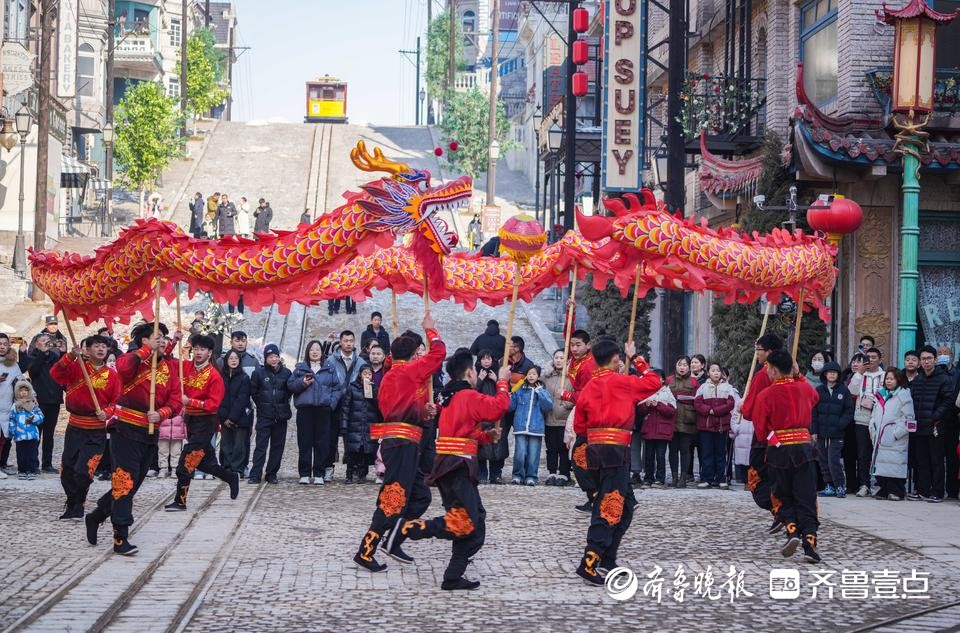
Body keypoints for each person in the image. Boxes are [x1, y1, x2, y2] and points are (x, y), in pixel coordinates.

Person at [392, 350, 510, 590]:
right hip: (457, 466)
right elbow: (498, 407)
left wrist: (486, 436)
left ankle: (453, 576)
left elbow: (464, 432)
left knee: (474, 522)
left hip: (453, 464)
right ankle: (408, 528)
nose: (476, 374)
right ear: (469, 372)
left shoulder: (452, 397)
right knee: (467, 522)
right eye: (475, 371)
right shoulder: (467, 395)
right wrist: (503, 381)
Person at [354, 315, 444, 573]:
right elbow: (438, 354)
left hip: (402, 442)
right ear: (413, 354)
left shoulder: (390, 377)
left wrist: (424, 411)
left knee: (421, 496)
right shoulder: (406, 371)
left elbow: (401, 410)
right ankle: (366, 550)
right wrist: (431, 330)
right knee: (393, 498)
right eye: (418, 353)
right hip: (402, 443)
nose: (420, 357)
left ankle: (393, 539)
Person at [86, 322, 182, 555]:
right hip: (125, 430)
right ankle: (120, 537)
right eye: (156, 337)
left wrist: (162, 413)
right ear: (144, 341)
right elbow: (123, 368)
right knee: (124, 481)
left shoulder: (170, 366)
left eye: (164, 338)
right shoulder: (132, 361)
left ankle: (97, 515)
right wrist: (146, 351)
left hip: (150, 431)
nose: (162, 341)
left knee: (133, 485)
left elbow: (176, 400)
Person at [574, 339, 661, 585]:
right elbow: (654, 382)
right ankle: (589, 562)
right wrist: (636, 358)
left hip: (595, 450)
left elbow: (580, 424)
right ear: (615, 359)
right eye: (619, 358)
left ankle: (608, 557)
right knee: (610, 506)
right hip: (615, 453)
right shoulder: (623, 382)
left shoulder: (589, 387)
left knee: (626, 505)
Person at [751, 350, 822, 563]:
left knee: (783, 493)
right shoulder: (804, 388)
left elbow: (761, 430)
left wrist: (775, 440)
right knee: (806, 496)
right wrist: (799, 376)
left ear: (773, 370)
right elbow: (815, 398)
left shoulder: (766, 395)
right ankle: (809, 541)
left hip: (779, 451)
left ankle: (791, 530)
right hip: (804, 448)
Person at [50, 335, 121, 520]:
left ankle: (78, 504)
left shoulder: (112, 375)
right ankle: (72, 502)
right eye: (96, 346)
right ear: (87, 350)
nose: (100, 349)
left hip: (96, 431)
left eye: (104, 346)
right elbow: (55, 374)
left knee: (84, 471)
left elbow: (116, 400)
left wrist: (106, 412)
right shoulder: (77, 367)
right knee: (67, 470)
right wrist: (70, 357)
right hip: (74, 428)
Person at [164, 334, 238, 510]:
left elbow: (213, 405)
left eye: (202, 349)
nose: (198, 352)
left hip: (206, 422)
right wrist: (173, 342)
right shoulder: (186, 367)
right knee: (206, 463)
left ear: (209, 352)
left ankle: (180, 501)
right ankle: (230, 477)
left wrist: (190, 401)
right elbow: (165, 361)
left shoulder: (214, 376)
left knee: (186, 462)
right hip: (191, 420)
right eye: (196, 348)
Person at [740, 333, 785, 534]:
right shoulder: (794, 375)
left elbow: (750, 411)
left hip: (765, 437)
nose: (756, 354)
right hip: (791, 439)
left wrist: (743, 406)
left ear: (770, 352)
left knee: (758, 481)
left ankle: (782, 510)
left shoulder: (762, 375)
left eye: (759, 350)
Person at [288, 340, 342, 485]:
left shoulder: (329, 368)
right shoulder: (300, 369)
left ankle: (319, 472)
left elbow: (337, 388)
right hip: (305, 409)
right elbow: (291, 385)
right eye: (312, 349)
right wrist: (303, 383)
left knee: (321, 442)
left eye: (317, 349)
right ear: (308, 352)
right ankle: (304, 473)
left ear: (321, 352)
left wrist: (331, 404)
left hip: (323, 410)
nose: (315, 352)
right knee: (304, 442)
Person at [561, 329, 600, 513]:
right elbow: (568, 333)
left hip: (593, 417)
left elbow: (587, 396)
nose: (574, 348)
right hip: (585, 415)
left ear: (589, 345)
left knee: (580, 457)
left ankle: (595, 497)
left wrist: (568, 395)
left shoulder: (588, 366)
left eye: (578, 345)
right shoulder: (580, 361)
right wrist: (571, 312)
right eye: (572, 345)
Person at [908, 346, 953, 502]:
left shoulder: (943, 378)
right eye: (923, 359)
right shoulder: (918, 378)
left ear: (935, 359)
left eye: (929, 358)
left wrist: (935, 416)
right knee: (921, 460)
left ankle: (938, 492)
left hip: (936, 426)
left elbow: (948, 401)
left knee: (937, 460)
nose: (926, 361)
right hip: (919, 425)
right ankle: (923, 490)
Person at [19, 333, 64, 473]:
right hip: (39, 401)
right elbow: (33, 372)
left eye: (48, 341)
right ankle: (33, 463)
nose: (46, 343)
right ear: (37, 344)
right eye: (43, 341)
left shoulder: (55, 357)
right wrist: (42, 354)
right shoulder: (32, 357)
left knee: (49, 434)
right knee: (36, 432)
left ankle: (47, 464)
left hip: (54, 399)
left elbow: (61, 373)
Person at [248, 344, 293, 484]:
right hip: (264, 415)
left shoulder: (287, 373)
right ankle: (255, 473)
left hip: (281, 415)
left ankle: (271, 473)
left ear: (279, 357)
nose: (273, 359)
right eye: (270, 357)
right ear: (266, 358)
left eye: (275, 356)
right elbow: (253, 391)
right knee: (260, 446)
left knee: (277, 446)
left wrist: (282, 403)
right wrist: (262, 405)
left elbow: (289, 390)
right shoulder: (258, 373)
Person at [326, 330, 368, 480]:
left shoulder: (361, 362)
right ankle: (329, 466)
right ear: (341, 342)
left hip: (353, 405)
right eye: (346, 341)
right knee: (330, 437)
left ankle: (352, 469)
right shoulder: (331, 360)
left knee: (352, 439)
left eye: (351, 341)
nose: (348, 343)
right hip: (335, 404)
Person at [869, 368, 915, 501]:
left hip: (895, 439)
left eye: (892, 379)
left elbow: (909, 418)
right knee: (882, 464)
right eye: (887, 379)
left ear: (898, 380)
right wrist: (873, 427)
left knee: (895, 465)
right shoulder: (880, 395)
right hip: (880, 437)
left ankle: (897, 490)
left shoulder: (904, 395)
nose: (888, 381)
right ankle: (883, 489)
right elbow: (874, 413)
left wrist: (895, 433)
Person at [811, 361, 854, 498]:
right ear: (825, 374)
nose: (831, 375)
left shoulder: (843, 390)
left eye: (834, 373)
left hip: (837, 434)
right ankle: (829, 485)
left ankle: (840, 486)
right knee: (823, 460)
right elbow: (814, 412)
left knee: (833, 460)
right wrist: (814, 430)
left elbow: (848, 411)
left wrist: (840, 424)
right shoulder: (819, 390)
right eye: (829, 372)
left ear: (838, 375)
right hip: (821, 433)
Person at [849, 347, 886, 497]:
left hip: (879, 419)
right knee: (863, 453)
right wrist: (859, 373)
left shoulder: (884, 375)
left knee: (879, 453)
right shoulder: (859, 375)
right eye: (867, 357)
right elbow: (852, 391)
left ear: (880, 360)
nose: (869, 360)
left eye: (873, 357)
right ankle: (864, 484)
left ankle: (879, 484)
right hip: (862, 419)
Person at [693, 362, 736, 489]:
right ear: (708, 373)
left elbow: (730, 404)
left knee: (721, 453)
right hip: (706, 426)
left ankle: (721, 478)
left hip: (722, 426)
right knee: (707, 453)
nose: (716, 373)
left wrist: (715, 411)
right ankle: (707, 478)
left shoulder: (728, 388)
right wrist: (708, 410)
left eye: (718, 371)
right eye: (713, 370)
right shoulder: (702, 387)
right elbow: (697, 403)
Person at [508, 366, 552, 486]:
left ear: (538, 376)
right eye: (529, 374)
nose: (531, 376)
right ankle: (517, 475)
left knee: (533, 454)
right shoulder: (520, 389)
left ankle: (531, 476)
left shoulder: (543, 390)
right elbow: (510, 407)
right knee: (520, 453)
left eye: (534, 374)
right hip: (520, 426)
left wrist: (540, 393)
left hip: (536, 427)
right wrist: (508, 397)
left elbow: (547, 407)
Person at [341, 364, 380, 483]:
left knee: (365, 450)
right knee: (352, 450)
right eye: (365, 373)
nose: (367, 376)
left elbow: (378, 406)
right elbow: (346, 408)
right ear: (360, 375)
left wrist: (372, 391)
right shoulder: (352, 388)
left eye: (369, 374)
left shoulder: (375, 388)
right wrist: (344, 425)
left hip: (368, 424)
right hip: (355, 424)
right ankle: (349, 474)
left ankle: (362, 474)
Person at [638, 371, 676, 488]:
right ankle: (648, 478)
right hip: (649, 429)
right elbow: (639, 409)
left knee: (660, 456)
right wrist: (647, 405)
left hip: (662, 430)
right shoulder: (646, 392)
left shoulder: (667, 393)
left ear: (663, 380)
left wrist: (658, 405)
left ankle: (660, 478)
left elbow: (672, 411)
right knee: (648, 456)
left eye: (659, 378)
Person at [542, 349, 574, 486]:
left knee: (564, 448)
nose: (559, 360)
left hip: (564, 418)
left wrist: (567, 403)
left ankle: (564, 473)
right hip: (549, 418)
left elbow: (576, 395)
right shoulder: (546, 377)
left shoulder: (571, 378)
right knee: (551, 447)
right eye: (556, 357)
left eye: (562, 358)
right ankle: (552, 471)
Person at [218, 349, 252, 476]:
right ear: (226, 361)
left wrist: (231, 418)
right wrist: (224, 417)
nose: (233, 361)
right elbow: (219, 397)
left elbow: (242, 399)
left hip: (240, 417)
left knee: (239, 445)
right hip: (224, 416)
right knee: (226, 444)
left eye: (236, 358)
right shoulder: (221, 377)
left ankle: (238, 469)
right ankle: (226, 468)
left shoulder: (244, 378)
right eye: (231, 358)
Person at [667, 356, 699, 488]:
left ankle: (683, 477)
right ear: (676, 366)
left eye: (685, 365)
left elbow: (697, 399)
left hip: (687, 419)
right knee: (673, 450)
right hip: (672, 419)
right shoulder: (669, 380)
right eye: (680, 364)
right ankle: (674, 476)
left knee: (685, 450)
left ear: (689, 367)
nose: (682, 367)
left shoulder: (693, 382)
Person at [474, 350, 503, 484]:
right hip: (481, 414)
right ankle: (482, 473)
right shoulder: (475, 373)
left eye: (489, 359)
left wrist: (496, 381)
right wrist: (479, 379)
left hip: (496, 413)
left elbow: (504, 391)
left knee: (497, 445)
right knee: (482, 445)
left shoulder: (498, 373)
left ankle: (496, 474)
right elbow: (472, 392)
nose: (486, 361)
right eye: (483, 359)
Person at [9, 378, 43, 479]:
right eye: (21, 390)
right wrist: (13, 431)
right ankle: (22, 471)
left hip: (32, 434)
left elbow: (41, 417)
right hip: (20, 435)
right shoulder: (15, 406)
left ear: (29, 392)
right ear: (17, 392)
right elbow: (12, 419)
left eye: (26, 390)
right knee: (21, 454)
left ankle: (32, 470)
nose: (23, 392)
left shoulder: (34, 405)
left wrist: (34, 419)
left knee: (32, 454)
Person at [157, 412, 186, 478]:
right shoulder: (162, 404)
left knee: (176, 452)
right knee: (162, 451)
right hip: (162, 431)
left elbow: (185, 417)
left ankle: (175, 469)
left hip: (178, 432)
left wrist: (185, 432)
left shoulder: (180, 404)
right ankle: (163, 469)